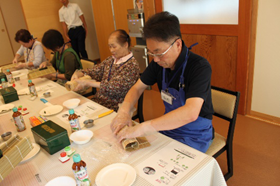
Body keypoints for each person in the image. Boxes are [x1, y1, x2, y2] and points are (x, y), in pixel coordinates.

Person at [110, 12, 214, 153]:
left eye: (159, 53)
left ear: (177, 44)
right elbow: (137, 88)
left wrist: (144, 127)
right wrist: (124, 111)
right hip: (168, 127)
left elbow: (191, 112)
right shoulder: (159, 64)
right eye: (151, 53)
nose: (156, 59)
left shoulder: (199, 67)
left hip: (195, 134)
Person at [71, 29, 140, 112]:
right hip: (99, 102)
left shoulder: (131, 65)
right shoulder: (110, 60)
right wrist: (80, 73)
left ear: (125, 45)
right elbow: (95, 71)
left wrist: (88, 83)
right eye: (110, 46)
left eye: (114, 46)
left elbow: (115, 87)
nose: (111, 50)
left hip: (116, 107)